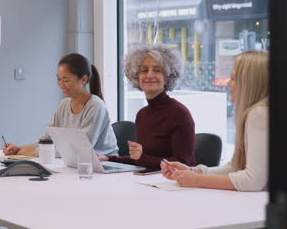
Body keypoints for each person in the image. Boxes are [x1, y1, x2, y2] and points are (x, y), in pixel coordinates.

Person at [161, 51, 268, 191]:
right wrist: (193, 172)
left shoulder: (259, 114)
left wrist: (198, 180)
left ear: (250, 83)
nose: (228, 83)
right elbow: (235, 167)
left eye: (234, 78)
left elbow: (252, 180)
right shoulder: (258, 113)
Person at [2, 53, 119, 157]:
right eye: (58, 79)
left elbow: (82, 148)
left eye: (66, 80)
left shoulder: (96, 106)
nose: (60, 84)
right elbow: (46, 139)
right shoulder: (63, 104)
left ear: (84, 79)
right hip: (75, 163)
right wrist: (21, 149)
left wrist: (36, 152)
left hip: (104, 164)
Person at [99, 44, 195, 169]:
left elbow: (183, 163)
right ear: (136, 77)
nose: (149, 75)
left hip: (172, 183)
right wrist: (107, 158)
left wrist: (142, 157)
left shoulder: (179, 113)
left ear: (167, 78)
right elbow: (142, 160)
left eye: (157, 70)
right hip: (148, 180)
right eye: (144, 70)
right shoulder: (142, 114)